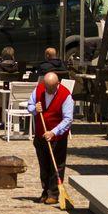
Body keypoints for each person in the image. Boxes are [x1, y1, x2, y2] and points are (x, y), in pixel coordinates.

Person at [27, 73, 74, 205]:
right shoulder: (39, 89)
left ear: (57, 84)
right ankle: (45, 191)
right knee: (44, 165)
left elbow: (68, 119)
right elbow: (29, 105)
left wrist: (53, 132)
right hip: (41, 134)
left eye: (51, 87)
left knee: (56, 165)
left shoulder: (65, 95)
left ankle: (53, 193)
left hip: (57, 136)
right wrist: (35, 109)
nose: (48, 90)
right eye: (46, 87)